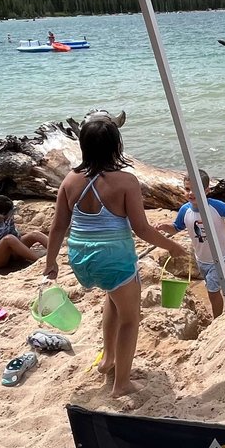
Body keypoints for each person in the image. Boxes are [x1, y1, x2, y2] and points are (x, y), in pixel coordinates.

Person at [43, 116, 187, 397]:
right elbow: (142, 228)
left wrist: (51, 262)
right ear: (116, 147)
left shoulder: (70, 180)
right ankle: (121, 385)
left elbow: (58, 226)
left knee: (112, 296)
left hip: (81, 261)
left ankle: (108, 359)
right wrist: (171, 246)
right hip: (113, 260)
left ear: (83, 146)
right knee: (131, 319)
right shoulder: (126, 181)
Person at [159, 169, 225, 319]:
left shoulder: (217, 206)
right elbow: (176, 228)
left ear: (207, 191)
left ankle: (217, 319)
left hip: (219, 257)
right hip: (201, 258)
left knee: (213, 291)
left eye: (196, 190)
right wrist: (164, 227)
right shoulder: (185, 210)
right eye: (187, 189)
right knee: (210, 285)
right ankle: (219, 313)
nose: (190, 193)